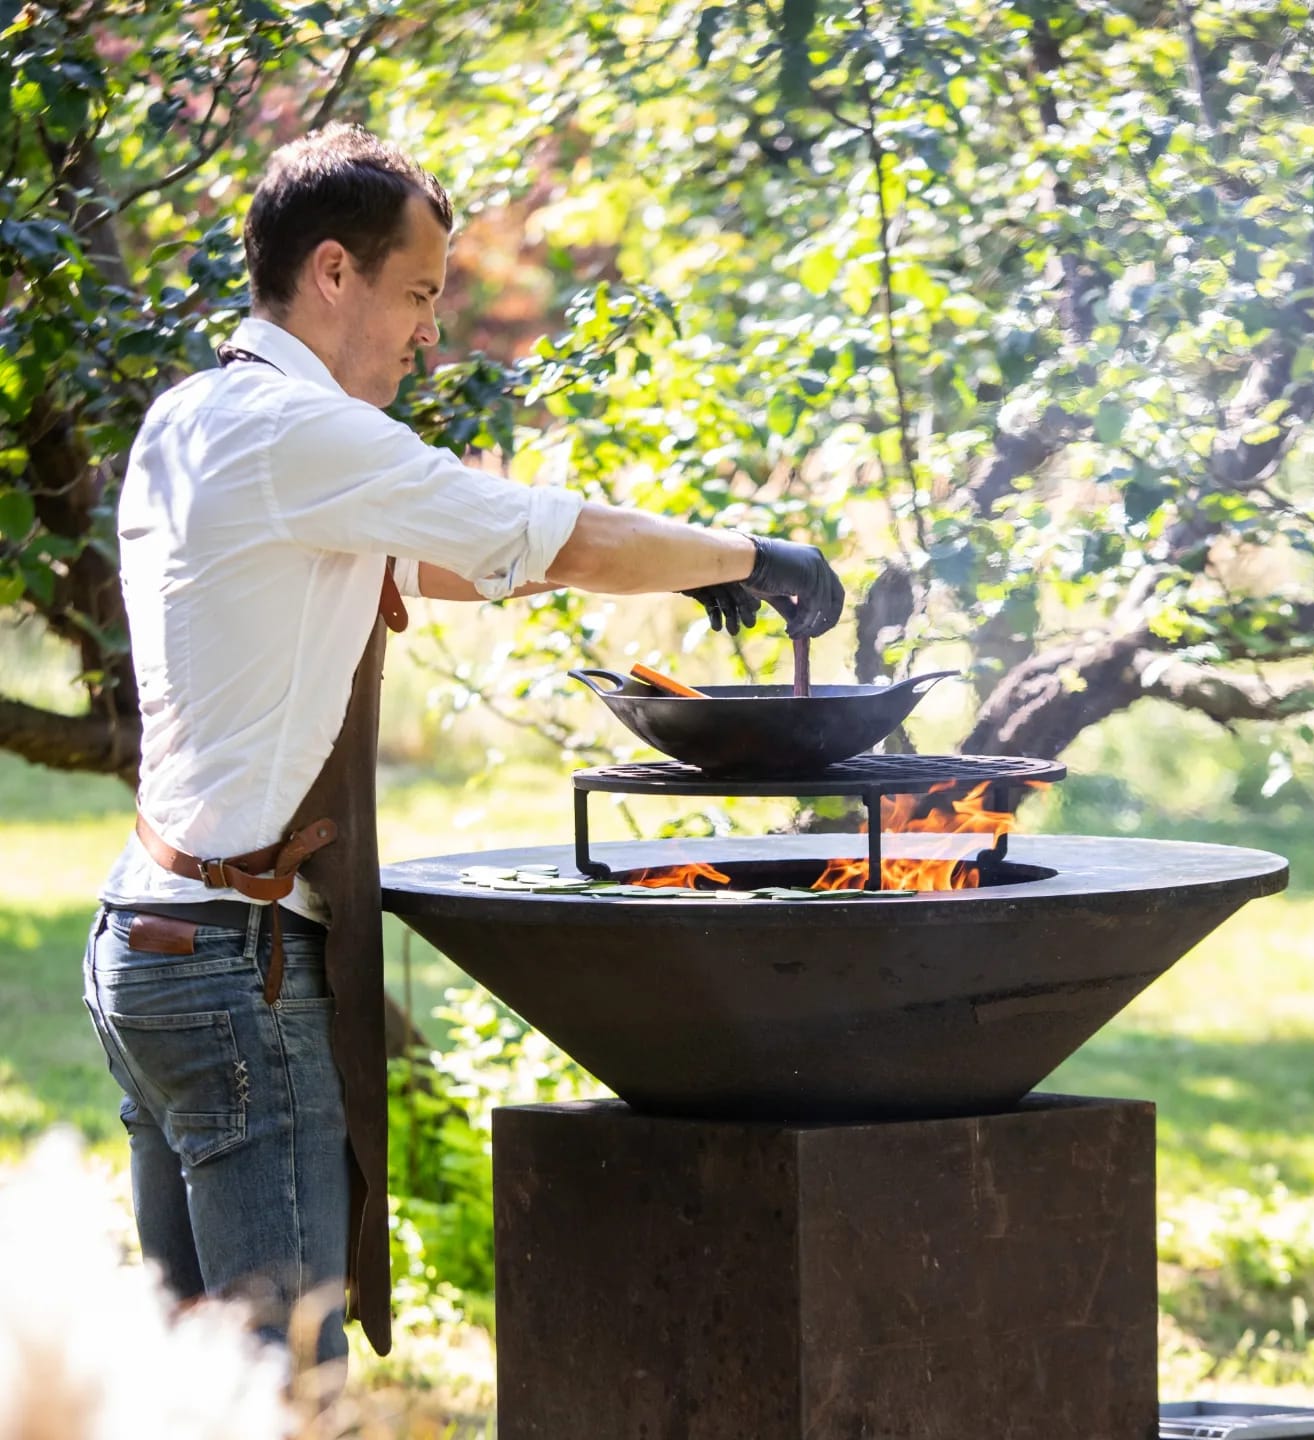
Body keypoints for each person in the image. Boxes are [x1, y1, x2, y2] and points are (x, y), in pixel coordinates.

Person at [84, 122, 844, 1375]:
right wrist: (752, 556)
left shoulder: (196, 416)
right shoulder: (299, 433)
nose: (430, 329)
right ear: (333, 273)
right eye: (420, 292)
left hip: (147, 939)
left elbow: (450, 560)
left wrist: (616, 570)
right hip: (235, 972)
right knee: (285, 1387)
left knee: (190, 1385)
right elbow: (548, 534)